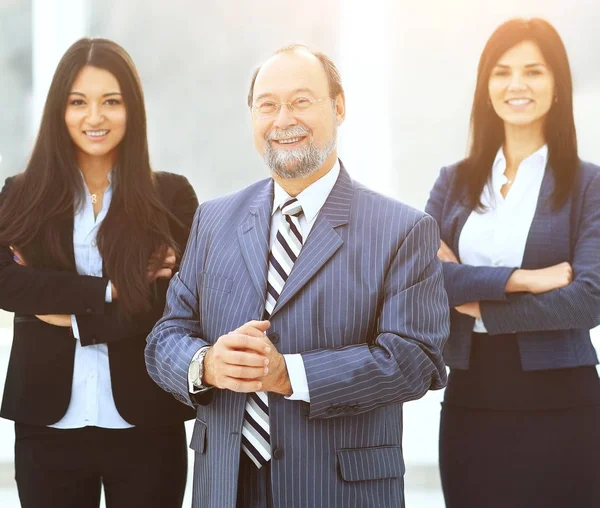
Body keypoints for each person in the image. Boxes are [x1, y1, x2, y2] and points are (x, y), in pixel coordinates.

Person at [145, 44, 449, 508]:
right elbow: (166, 335)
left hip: (339, 491)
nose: (283, 118)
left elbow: (415, 360)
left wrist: (291, 374)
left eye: (301, 100)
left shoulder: (402, 230)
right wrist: (204, 363)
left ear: (339, 106)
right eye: (267, 104)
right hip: (226, 487)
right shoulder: (213, 219)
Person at [0, 38, 198, 508]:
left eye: (111, 101)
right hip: (48, 427)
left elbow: (167, 306)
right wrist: (108, 289)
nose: (94, 117)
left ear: (132, 109)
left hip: (147, 424)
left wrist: (68, 316)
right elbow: (7, 283)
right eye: (78, 102)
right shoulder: (21, 194)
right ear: (58, 111)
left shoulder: (170, 197)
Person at [425, 18, 600, 508]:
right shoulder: (454, 181)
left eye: (534, 71)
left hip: (564, 402)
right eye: (502, 72)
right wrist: (526, 280)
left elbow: (587, 300)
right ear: (486, 87)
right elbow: (418, 277)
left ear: (557, 87)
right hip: (471, 396)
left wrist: (480, 306)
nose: (516, 85)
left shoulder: (589, 185)